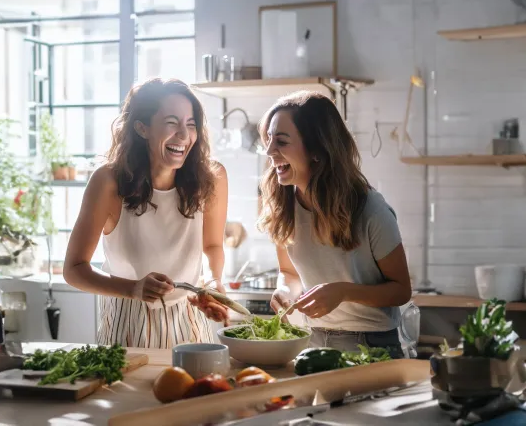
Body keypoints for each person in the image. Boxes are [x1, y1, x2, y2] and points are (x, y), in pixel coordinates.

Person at [64, 78, 229, 349]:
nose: (184, 135)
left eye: (191, 124)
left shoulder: (212, 177)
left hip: (189, 322)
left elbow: (212, 245)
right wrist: (133, 289)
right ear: (142, 128)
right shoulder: (108, 182)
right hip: (128, 322)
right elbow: (73, 270)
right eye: (171, 122)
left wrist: (212, 282)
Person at [259, 91, 411, 358]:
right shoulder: (284, 208)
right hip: (313, 341)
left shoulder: (370, 209)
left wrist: (343, 292)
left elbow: (401, 290)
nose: (270, 151)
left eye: (281, 141)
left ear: (317, 150)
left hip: (372, 345)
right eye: (269, 139)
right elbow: (289, 272)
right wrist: (285, 290)